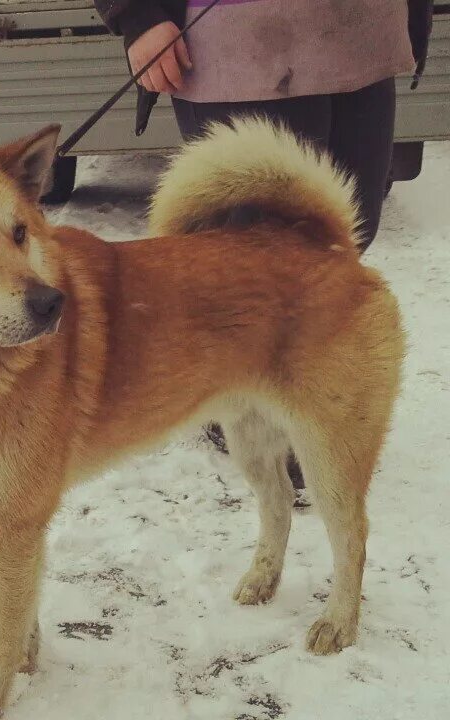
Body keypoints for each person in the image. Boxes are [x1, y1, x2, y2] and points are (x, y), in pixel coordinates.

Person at [93, 0, 433, 493]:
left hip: (362, 36)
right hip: (234, 40)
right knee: (249, 257)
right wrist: (140, 13)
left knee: (343, 232)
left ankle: (296, 378)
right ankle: (245, 397)